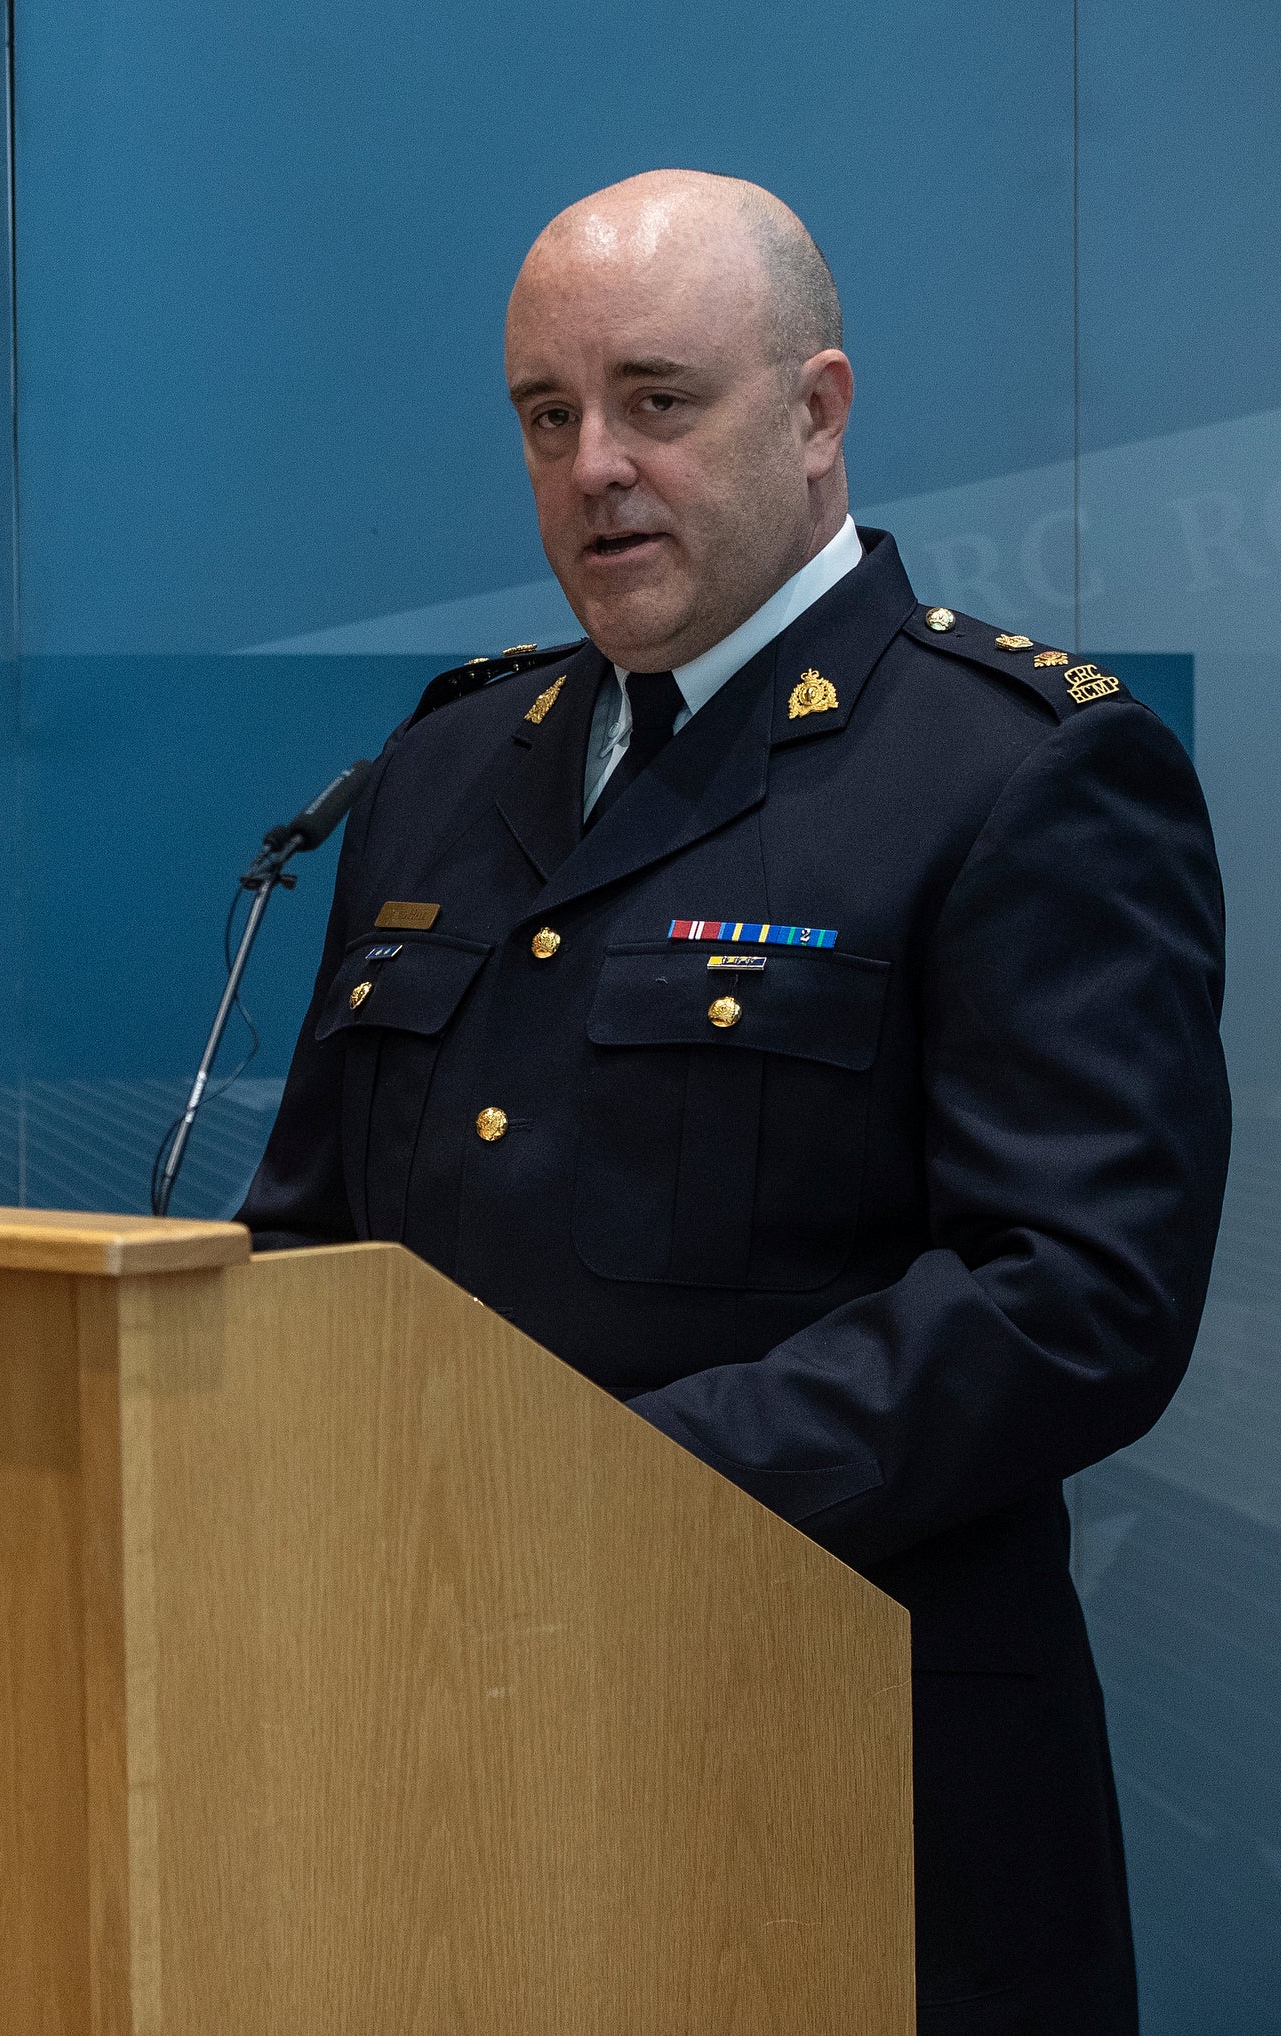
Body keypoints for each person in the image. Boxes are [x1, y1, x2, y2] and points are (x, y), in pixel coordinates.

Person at [238, 171, 1226, 2032]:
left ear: (818, 410)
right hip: (438, 1793)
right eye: (550, 417)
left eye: (656, 401)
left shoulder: (1021, 771)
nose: (594, 463)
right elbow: (310, 1242)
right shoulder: (444, 768)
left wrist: (617, 1498)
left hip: (839, 1786)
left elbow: (1077, 1294)